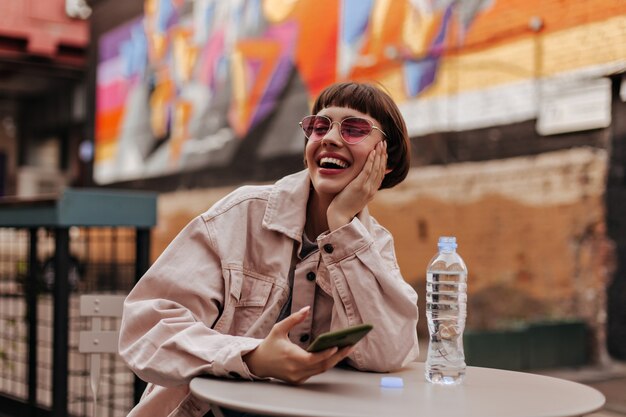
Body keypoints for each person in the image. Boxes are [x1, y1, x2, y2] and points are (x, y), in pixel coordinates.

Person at [119, 81, 420, 417]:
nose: (330, 138)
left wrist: (342, 225)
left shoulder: (372, 244)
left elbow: (389, 353)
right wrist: (253, 357)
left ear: (386, 160)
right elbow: (145, 327)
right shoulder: (242, 214)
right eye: (319, 126)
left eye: (354, 129)